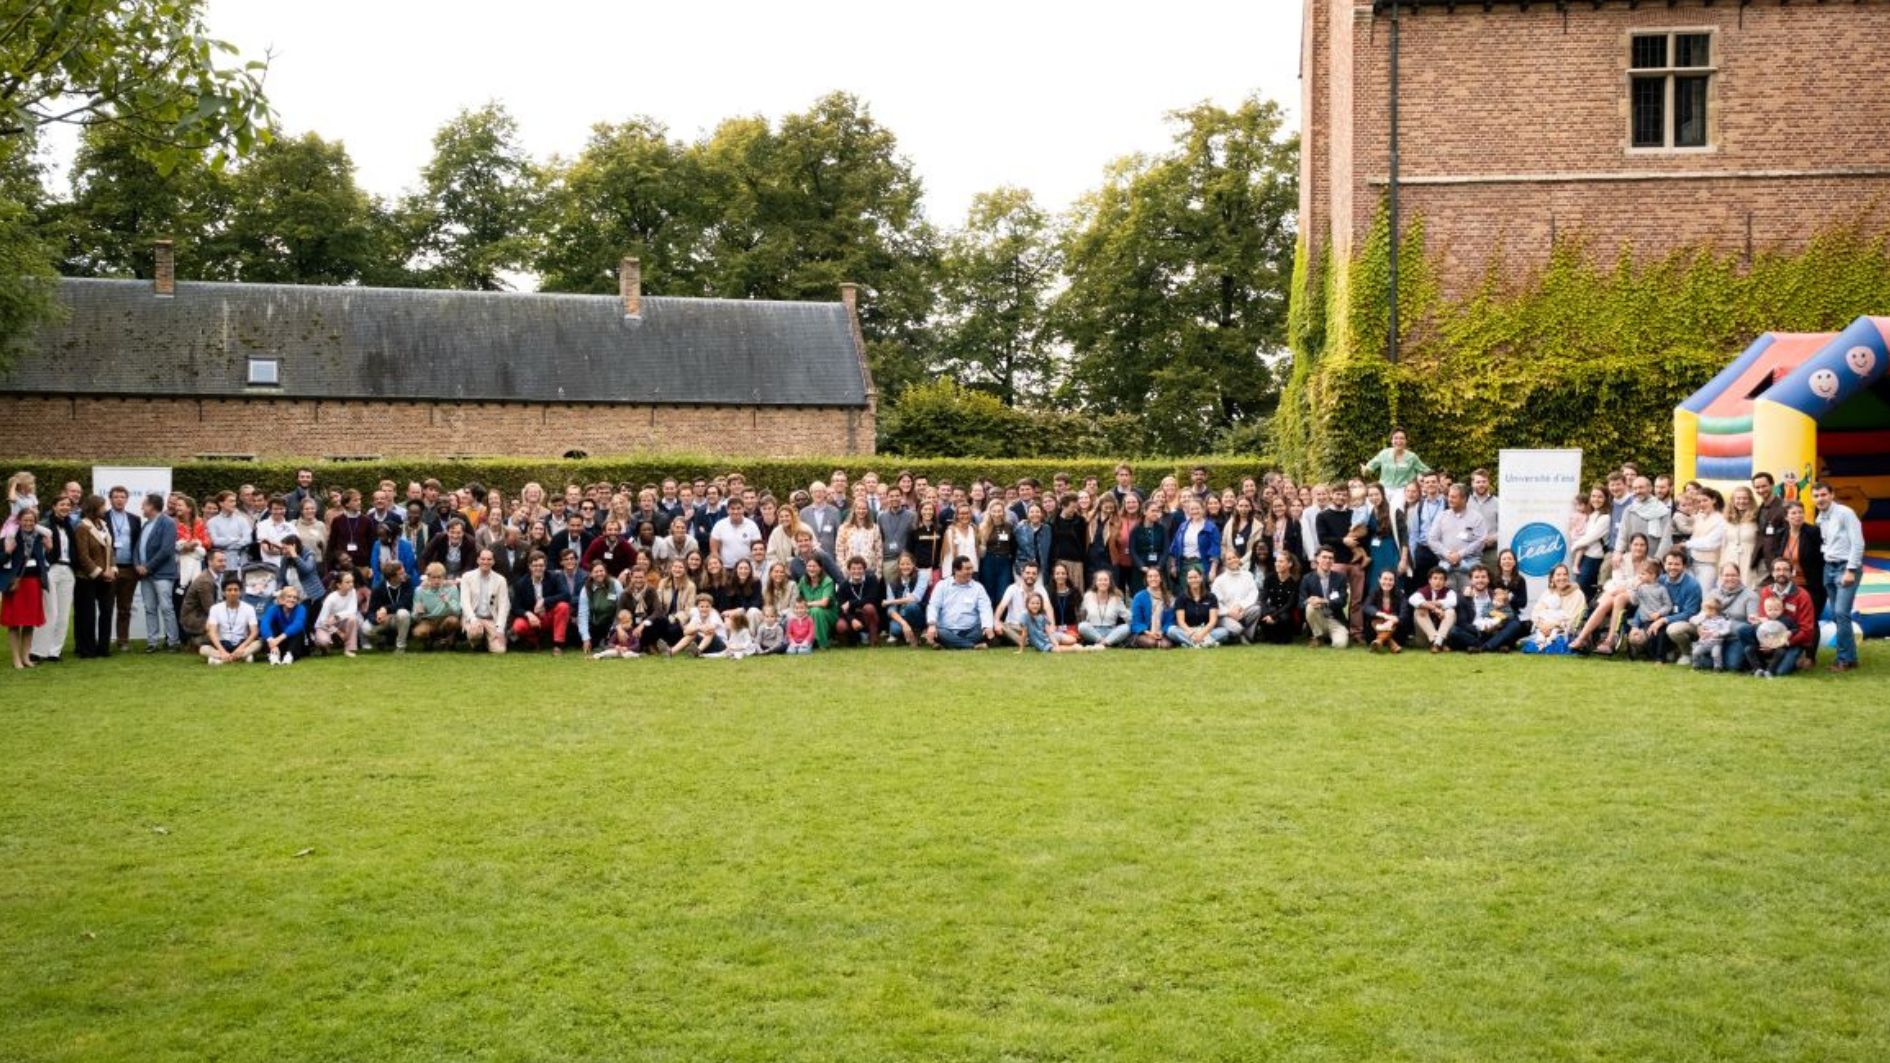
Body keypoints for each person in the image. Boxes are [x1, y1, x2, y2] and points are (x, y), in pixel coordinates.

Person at [1812, 481, 1865, 673]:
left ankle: (1844, 659)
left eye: (1823, 495)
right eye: (1816, 496)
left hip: (1845, 567)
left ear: (1832, 495)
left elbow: (1857, 542)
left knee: (1842, 613)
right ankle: (1851, 658)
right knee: (1836, 615)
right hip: (1829, 567)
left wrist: (1851, 570)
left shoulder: (1845, 513)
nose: (1820, 499)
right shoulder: (1821, 518)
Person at [1738, 559, 1816, 678]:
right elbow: (1765, 620)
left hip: (1791, 640)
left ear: (1792, 573)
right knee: (1743, 630)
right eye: (1778, 570)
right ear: (1772, 573)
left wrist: (1779, 643)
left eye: (1785, 570)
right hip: (1769, 636)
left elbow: (1807, 631)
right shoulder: (1766, 591)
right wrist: (1757, 621)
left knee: (1781, 672)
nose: (1781, 573)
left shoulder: (1803, 595)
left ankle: (1795, 658)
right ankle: (1759, 665)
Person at [128, 492, 181, 653]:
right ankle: (152, 642)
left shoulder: (168, 523)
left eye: (144, 504)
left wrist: (147, 567)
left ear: (151, 506)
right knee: (150, 608)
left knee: (166, 608)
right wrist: (137, 564)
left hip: (162, 574)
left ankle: (173, 641)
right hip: (145, 575)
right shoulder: (146, 524)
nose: (142, 507)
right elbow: (138, 547)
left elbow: (166, 550)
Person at [0, 507, 49, 668]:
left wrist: (49, 548)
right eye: (25, 520)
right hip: (15, 584)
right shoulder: (9, 537)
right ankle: (16, 659)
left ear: (36, 522)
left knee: (29, 623)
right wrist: (7, 552)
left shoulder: (40, 537)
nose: (28, 523)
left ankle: (26, 657)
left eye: (31, 520)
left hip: (33, 583)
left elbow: (45, 560)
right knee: (15, 623)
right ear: (19, 521)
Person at [1760, 500, 1824, 623]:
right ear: (1786, 517)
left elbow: (1821, 558)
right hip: (1787, 585)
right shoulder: (1781, 534)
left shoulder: (1814, 532)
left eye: (1800, 512)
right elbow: (1776, 558)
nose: (1798, 516)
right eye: (1793, 513)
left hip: (1810, 584)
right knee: (1789, 619)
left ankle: (1810, 642)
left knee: (1810, 619)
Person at [30, 496, 76, 663]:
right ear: (54, 506)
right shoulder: (44, 524)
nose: (65, 507)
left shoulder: (70, 525)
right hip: (51, 569)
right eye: (62, 504)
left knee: (64, 614)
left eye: (68, 505)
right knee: (50, 611)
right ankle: (37, 650)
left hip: (68, 569)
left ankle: (54, 651)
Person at [71, 495, 115, 659]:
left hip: (107, 577)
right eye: (102, 506)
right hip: (87, 578)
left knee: (107, 612)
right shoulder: (82, 527)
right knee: (87, 615)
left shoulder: (104, 525)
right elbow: (83, 556)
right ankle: (86, 650)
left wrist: (112, 569)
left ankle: (103, 648)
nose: (105, 509)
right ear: (94, 508)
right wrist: (99, 572)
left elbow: (110, 549)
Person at [1426, 483, 1487, 595]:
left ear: (1464, 499)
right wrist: (1448, 553)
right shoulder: (1441, 516)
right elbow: (1432, 539)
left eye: (1454, 497)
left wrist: (1460, 555)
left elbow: (1480, 541)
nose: (1449, 499)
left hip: (1469, 567)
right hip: (1446, 567)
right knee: (1447, 602)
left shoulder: (1476, 517)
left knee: (1470, 602)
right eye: (1449, 496)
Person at [507, 551, 571, 654]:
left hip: (548, 615)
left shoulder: (554, 577)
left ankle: (558, 645)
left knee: (563, 606)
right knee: (518, 626)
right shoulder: (521, 583)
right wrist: (528, 614)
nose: (538, 568)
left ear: (545, 566)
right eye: (535, 565)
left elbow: (566, 595)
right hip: (531, 618)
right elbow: (515, 607)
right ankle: (533, 641)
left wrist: (544, 601)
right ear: (529, 567)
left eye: (541, 565)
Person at [925, 556, 994, 650]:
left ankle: (951, 644)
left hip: (971, 630)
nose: (971, 572)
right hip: (947, 630)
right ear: (956, 570)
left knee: (983, 630)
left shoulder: (978, 588)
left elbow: (985, 608)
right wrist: (932, 625)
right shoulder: (942, 585)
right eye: (967, 569)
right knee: (939, 632)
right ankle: (972, 646)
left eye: (971, 568)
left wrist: (987, 626)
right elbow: (933, 606)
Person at [1521, 563, 1585, 654]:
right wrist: (1541, 626)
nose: (1562, 577)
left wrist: (1553, 626)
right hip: (1544, 628)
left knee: (1555, 645)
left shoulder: (1577, 594)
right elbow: (1536, 612)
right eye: (1558, 575)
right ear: (1552, 578)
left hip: (1565, 631)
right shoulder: (1548, 592)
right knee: (1533, 645)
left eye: (1565, 574)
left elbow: (1573, 619)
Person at [1625, 560, 1678, 663]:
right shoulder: (1641, 588)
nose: (1640, 576)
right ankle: (1635, 653)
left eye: (1643, 574)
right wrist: (1635, 589)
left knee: (1659, 636)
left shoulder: (1661, 589)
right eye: (1639, 573)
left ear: (1653, 576)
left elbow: (1668, 605)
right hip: (1644, 620)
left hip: (1658, 620)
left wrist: (1659, 613)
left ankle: (1660, 658)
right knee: (1632, 632)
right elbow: (1635, 602)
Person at [460, 548, 511, 654]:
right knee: (475, 633)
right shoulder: (467, 577)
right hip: (473, 618)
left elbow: (503, 606)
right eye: (483, 559)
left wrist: (500, 628)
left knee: (500, 650)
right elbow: (464, 602)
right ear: (478, 560)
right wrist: (473, 620)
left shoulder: (500, 580)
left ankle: (487, 641)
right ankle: (477, 643)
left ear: (493, 561)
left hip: (491, 619)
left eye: (489, 559)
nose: (486, 562)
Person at [201, 577, 261, 665]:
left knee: (258, 643)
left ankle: (220, 660)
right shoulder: (215, 608)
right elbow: (212, 632)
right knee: (203, 649)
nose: (233, 593)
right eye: (229, 590)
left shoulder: (249, 608)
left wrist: (241, 647)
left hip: (241, 642)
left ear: (240, 592)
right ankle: (240, 657)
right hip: (222, 643)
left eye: (236, 590)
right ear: (224, 593)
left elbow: (254, 632)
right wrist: (222, 651)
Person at [1300, 547, 1351, 649]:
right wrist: (1309, 601)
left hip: (1335, 620)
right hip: (1318, 620)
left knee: (1340, 645)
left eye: (1330, 558)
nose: (1327, 560)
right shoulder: (1307, 578)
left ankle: (1327, 638)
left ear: (1334, 561)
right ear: (1317, 559)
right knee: (1310, 606)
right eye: (1324, 557)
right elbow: (1300, 603)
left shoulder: (1341, 578)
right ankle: (1318, 636)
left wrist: (1324, 601)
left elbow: (1342, 601)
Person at [1568, 486, 1611, 604]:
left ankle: (1587, 618)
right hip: (1585, 556)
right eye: (1593, 496)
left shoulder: (1605, 517)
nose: (1596, 499)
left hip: (1594, 558)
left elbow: (1590, 537)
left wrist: (1574, 546)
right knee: (1583, 592)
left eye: (1600, 496)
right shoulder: (1592, 515)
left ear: (1606, 499)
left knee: (1582, 588)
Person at [1166, 567, 1226, 648]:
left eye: (1196, 577)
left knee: (1224, 632)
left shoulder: (1211, 597)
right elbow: (1181, 622)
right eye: (1190, 578)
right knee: (1171, 631)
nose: (1193, 580)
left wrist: (1202, 634)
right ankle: (1206, 643)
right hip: (1188, 631)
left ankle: (1192, 643)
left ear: (1201, 578)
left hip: (1206, 630)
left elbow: (1213, 620)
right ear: (1187, 580)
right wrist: (1192, 633)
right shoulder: (1181, 598)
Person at [1211, 551, 1262, 643]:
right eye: (1229, 559)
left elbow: (1253, 593)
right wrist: (1229, 612)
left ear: (1238, 559)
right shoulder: (1219, 580)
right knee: (1237, 628)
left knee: (1257, 609)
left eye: (1234, 557)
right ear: (1225, 563)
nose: (1232, 560)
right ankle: (1242, 635)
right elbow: (1215, 602)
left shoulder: (1248, 575)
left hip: (1243, 611)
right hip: (1225, 615)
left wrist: (1241, 606)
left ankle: (1248, 637)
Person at [1360, 428, 1430, 493]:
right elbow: (1370, 467)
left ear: (1406, 441)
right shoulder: (1384, 453)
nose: (1398, 441)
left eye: (1402, 438)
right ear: (1391, 440)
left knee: (1396, 505)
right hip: (1383, 489)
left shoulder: (1412, 457)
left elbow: (1426, 471)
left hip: (1402, 490)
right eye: (1395, 438)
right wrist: (1366, 470)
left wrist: (1426, 479)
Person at [365, 560, 414, 651]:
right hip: (385, 620)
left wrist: (386, 609)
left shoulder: (408, 582)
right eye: (401, 573)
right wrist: (377, 619)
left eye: (403, 571)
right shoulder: (378, 589)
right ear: (392, 577)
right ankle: (381, 641)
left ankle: (400, 647)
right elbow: (371, 611)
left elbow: (406, 603)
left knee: (403, 613)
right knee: (366, 629)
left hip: (401, 618)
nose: (405, 574)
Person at [411, 563, 462, 650]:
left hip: (445, 619)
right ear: (428, 577)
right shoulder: (419, 590)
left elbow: (458, 611)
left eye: (439, 577)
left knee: (453, 621)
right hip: (428, 620)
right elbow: (414, 617)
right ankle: (428, 644)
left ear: (444, 577)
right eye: (433, 577)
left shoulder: (452, 588)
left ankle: (450, 642)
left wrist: (448, 602)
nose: (437, 581)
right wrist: (418, 612)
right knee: (419, 632)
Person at [834, 556, 882, 647]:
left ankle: (873, 640)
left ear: (864, 569)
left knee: (869, 607)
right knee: (840, 626)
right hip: (852, 615)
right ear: (849, 570)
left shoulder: (871, 580)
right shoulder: (843, 586)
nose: (856, 571)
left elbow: (872, 598)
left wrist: (851, 603)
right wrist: (852, 620)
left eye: (860, 568)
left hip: (867, 615)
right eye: (853, 569)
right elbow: (841, 608)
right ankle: (852, 641)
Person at [883, 553, 930, 647]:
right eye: (902, 564)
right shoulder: (892, 583)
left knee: (911, 607)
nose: (905, 567)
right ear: (898, 565)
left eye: (908, 564)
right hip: (902, 615)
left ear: (913, 564)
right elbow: (891, 610)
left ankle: (918, 632)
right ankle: (907, 634)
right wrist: (904, 624)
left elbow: (915, 598)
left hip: (919, 613)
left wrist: (890, 601)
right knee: (894, 629)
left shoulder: (922, 575)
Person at [1407, 567, 1458, 653]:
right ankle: (1436, 641)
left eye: (1441, 579)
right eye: (1435, 578)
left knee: (1450, 611)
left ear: (1445, 582)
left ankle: (1437, 642)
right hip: (1425, 636)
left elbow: (1453, 602)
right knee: (1419, 610)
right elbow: (1412, 600)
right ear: (1429, 580)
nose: (1438, 582)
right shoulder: (1422, 591)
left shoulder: (1450, 592)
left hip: (1445, 635)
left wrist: (1434, 603)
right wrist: (1434, 608)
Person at [1256, 552, 1302, 646]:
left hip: (1287, 613)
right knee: (1259, 614)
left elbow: (1290, 604)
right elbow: (1263, 599)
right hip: (1271, 610)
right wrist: (1266, 614)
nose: (1277, 564)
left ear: (1289, 564)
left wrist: (1273, 616)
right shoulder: (1269, 578)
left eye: (1281, 561)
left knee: (1284, 619)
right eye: (1276, 561)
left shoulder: (1295, 581)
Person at [312, 571, 362, 657]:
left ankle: (349, 649)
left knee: (353, 619)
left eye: (352, 581)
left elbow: (352, 610)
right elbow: (322, 621)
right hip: (325, 625)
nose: (351, 584)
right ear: (339, 585)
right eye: (347, 582)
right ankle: (322, 646)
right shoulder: (331, 598)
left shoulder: (352, 592)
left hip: (339, 621)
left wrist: (337, 616)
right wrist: (338, 632)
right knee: (323, 642)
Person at [1078, 569, 1131, 647]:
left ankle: (1104, 643)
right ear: (1095, 582)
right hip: (1093, 631)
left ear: (1110, 583)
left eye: (1105, 580)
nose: (1103, 582)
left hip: (1111, 631)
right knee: (1082, 626)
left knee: (1126, 628)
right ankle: (1104, 642)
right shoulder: (1088, 596)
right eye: (1100, 580)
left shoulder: (1116, 598)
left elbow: (1127, 616)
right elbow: (1081, 613)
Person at [795, 557, 837, 649]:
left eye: (814, 566)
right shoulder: (803, 580)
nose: (811, 569)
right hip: (809, 610)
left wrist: (806, 604)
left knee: (816, 611)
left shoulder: (827, 581)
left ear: (820, 568)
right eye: (809, 566)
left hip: (829, 613)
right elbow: (797, 597)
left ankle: (822, 644)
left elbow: (824, 603)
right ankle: (801, 642)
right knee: (804, 612)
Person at [1687, 597, 1734, 671]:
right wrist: (1700, 623)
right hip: (1703, 643)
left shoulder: (1721, 620)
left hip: (1716, 643)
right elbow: (1692, 620)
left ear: (1713, 611)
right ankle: (1696, 666)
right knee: (1696, 652)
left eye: (1705, 610)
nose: (1703, 612)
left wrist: (1717, 633)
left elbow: (1727, 630)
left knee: (1716, 654)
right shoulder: (1703, 618)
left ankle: (1718, 667)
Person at [1363, 569, 1405, 652]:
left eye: (1390, 580)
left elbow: (1404, 614)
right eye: (1385, 579)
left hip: (1396, 632)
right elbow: (1366, 607)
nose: (1387, 582)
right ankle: (1391, 643)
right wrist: (1384, 615)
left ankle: (1379, 641)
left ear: (1394, 581)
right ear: (1379, 580)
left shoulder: (1400, 595)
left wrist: (1393, 621)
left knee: (1392, 622)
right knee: (1376, 620)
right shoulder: (1373, 593)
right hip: (1374, 631)